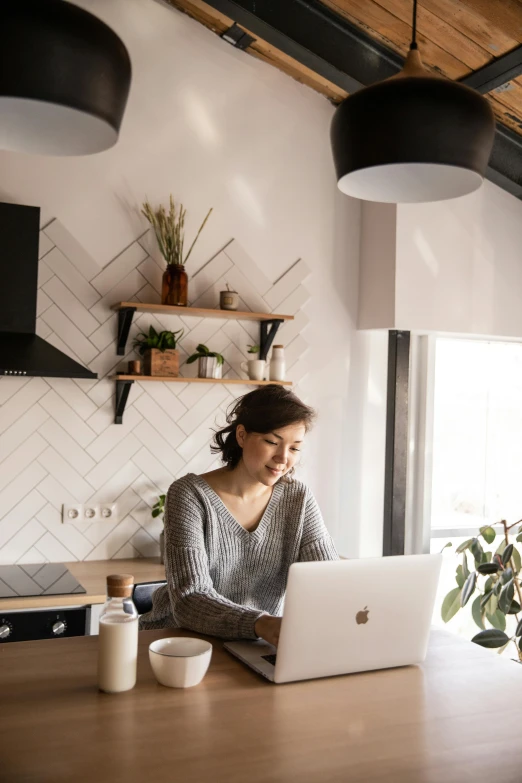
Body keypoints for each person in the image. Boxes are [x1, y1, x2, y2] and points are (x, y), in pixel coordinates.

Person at [139, 384, 339, 647]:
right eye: (272, 442)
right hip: (175, 642)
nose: (283, 458)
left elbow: (329, 579)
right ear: (242, 436)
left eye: (294, 448)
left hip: (253, 643)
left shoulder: (297, 499)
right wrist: (260, 623)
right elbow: (190, 598)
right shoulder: (189, 494)